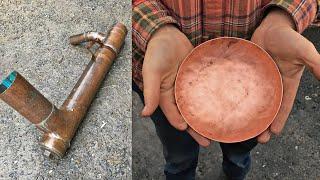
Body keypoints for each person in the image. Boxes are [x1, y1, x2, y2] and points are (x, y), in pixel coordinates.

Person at [132, 0, 320, 179]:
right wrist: (156, 28)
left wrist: (282, 17)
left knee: (240, 150)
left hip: (258, 78)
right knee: (178, 153)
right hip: (167, 75)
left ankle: (235, 171)